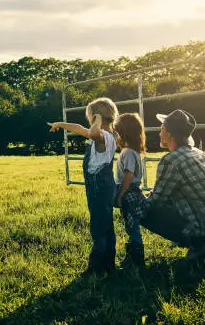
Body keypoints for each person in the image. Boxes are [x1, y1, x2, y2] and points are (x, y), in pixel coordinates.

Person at [141, 109, 205, 263]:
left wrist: (133, 200)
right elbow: (166, 192)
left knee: (141, 210)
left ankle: (201, 244)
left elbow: (156, 202)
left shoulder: (171, 160)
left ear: (170, 134)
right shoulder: (197, 153)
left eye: (162, 129)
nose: (159, 133)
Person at [47, 97, 118, 275]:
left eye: (91, 118)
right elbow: (80, 129)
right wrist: (60, 123)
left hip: (99, 188)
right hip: (102, 186)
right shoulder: (102, 135)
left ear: (96, 118)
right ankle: (109, 264)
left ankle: (96, 269)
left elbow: (93, 133)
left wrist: (97, 119)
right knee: (106, 226)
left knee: (98, 229)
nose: (89, 122)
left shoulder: (104, 137)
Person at [113, 113, 147, 269]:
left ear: (122, 133)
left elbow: (128, 175)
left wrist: (120, 195)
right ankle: (134, 257)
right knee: (132, 225)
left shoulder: (127, 153)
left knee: (132, 227)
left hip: (129, 193)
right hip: (133, 192)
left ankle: (135, 259)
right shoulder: (134, 151)